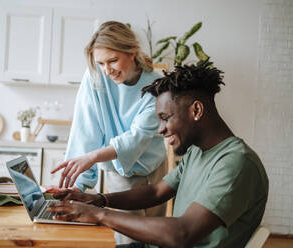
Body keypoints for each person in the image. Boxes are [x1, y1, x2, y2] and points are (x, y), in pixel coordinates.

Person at [47, 63, 269, 248]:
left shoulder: (236, 163)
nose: (160, 129)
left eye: (165, 117)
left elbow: (182, 233)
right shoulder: (197, 153)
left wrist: (98, 214)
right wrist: (98, 200)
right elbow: (155, 192)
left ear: (196, 111)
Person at [47, 21, 168, 245]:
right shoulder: (96, 76)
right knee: (127, 239)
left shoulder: (158, 84)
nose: (107, 70)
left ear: (132, 52)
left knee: (154, 237)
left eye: (113, 60)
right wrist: (78, 184)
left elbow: (136, 138)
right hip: (120, 172)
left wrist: (92, 157)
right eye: (101, 63)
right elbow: (86, 128)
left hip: (154, 167)